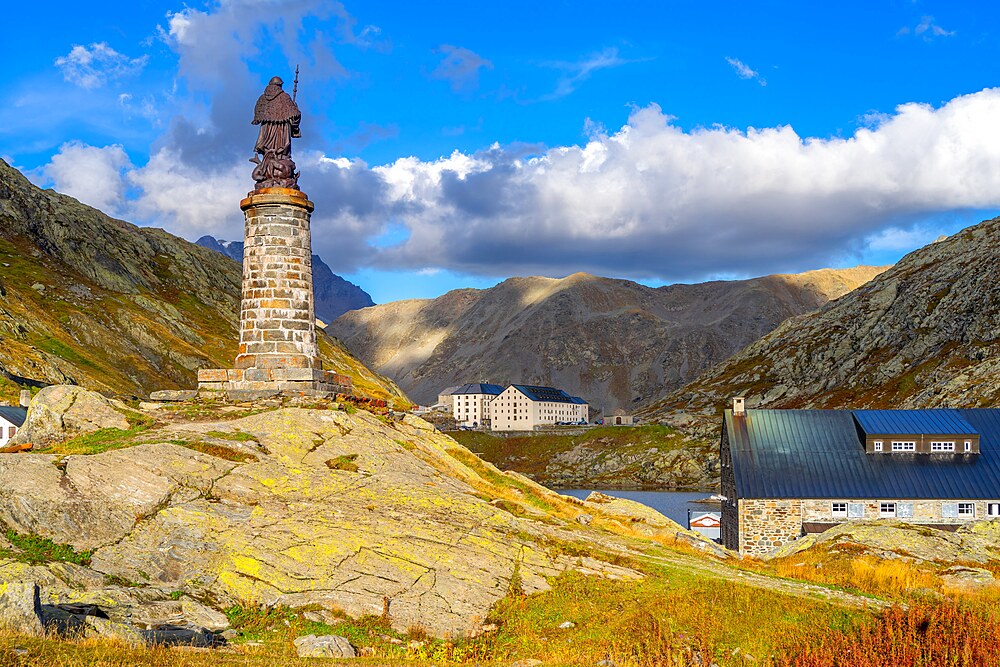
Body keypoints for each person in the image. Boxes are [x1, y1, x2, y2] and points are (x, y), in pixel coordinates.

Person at [250, 76, 301, 190]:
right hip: (281, 132)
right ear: (280, 86)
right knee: (281, 151)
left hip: (267, 134)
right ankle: (280, 159)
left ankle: (268, 166)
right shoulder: (284, 97)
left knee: (269, 150)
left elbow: (258, 114)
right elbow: (295, 115)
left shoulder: (262, 99)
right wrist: (295, 115)